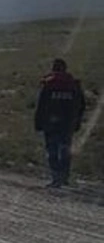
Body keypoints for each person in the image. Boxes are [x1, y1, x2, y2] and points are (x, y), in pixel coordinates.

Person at [34, 58, 85, 188]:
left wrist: (38, 123)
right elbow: (81, 105)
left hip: (50, 123)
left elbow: (41, 105)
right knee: (65, 149)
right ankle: (65, 177)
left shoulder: (48, 84)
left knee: (52, 150)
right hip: (68, 124)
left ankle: (56, 178)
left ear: (53, 69)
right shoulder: (74, 85)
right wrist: (77, 121)